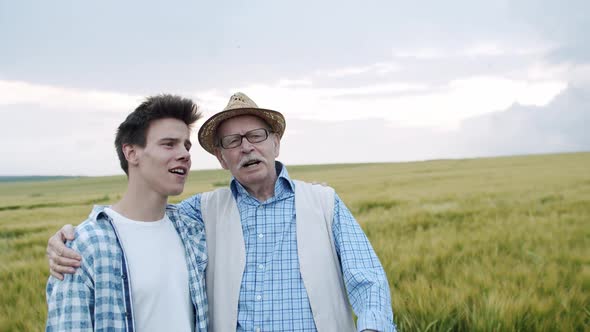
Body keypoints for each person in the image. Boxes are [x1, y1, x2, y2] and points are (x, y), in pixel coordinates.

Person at [47, 92, 397, 331]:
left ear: (275, 143)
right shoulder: (199, 213)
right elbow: (139, 219)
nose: (247, 147)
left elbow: (369, 282)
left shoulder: (324, 204)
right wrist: (74, 235)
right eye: (232, 141)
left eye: (256, 135)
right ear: (221, 158)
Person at [45, 95, 208, 331]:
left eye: (186, 145)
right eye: (169, 144)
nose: (185, 153)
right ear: (131, 153)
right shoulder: (85, 247)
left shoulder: (193, 232)